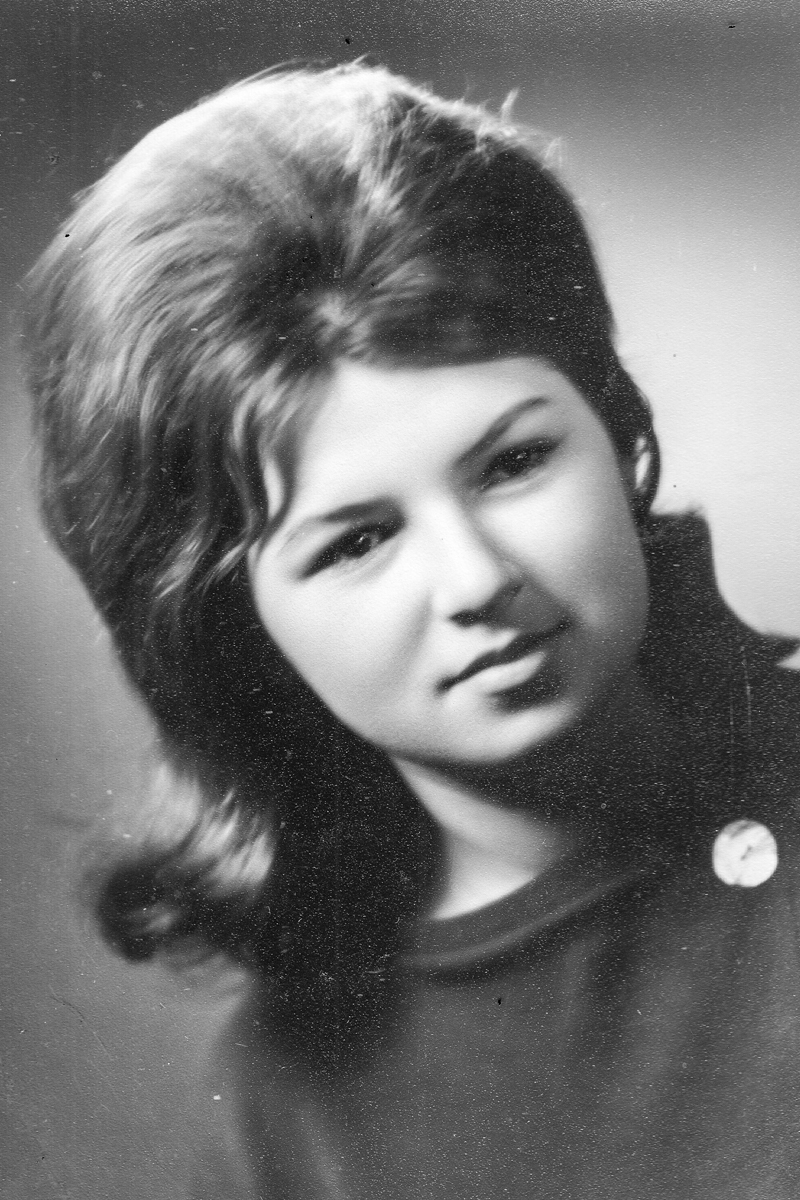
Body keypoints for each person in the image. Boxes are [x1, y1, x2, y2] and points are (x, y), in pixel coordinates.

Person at [23, 62, 800, 1199]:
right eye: (356, 542)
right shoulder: (295, 1113)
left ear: (612, 427)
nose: (476, 579)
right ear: (235, 628)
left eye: (514, 462)